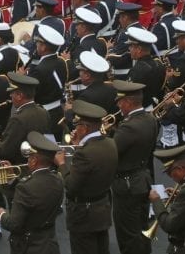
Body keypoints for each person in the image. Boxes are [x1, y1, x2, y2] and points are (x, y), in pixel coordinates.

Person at [57, 100, 116, 254]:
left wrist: (61, 164)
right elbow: (91, 168)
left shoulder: (84, 153)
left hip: (83, 215)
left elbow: (71, 185)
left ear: (84, 128)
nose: (75, 129)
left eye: (77, 125)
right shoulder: (111, 143)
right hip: (102, 208)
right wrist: (79, 145)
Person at [0, 131, 64, 254]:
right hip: (49, 243)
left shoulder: (25, 187)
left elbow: (14, 224)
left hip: (28, 246)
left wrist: (1, 215)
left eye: (30, 158)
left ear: (34, 161)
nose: (28, 161)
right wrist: (12, 179)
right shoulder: (58, 179)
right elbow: (35, 192)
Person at [110, 80, 158, 254]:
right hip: (142, 178)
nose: (118, 105)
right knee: (141, 229)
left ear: (129, 102)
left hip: (127, 184)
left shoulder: (129, 126)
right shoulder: (150, 119)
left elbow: (112, 152)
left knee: (127, 235)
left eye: (120, 102)